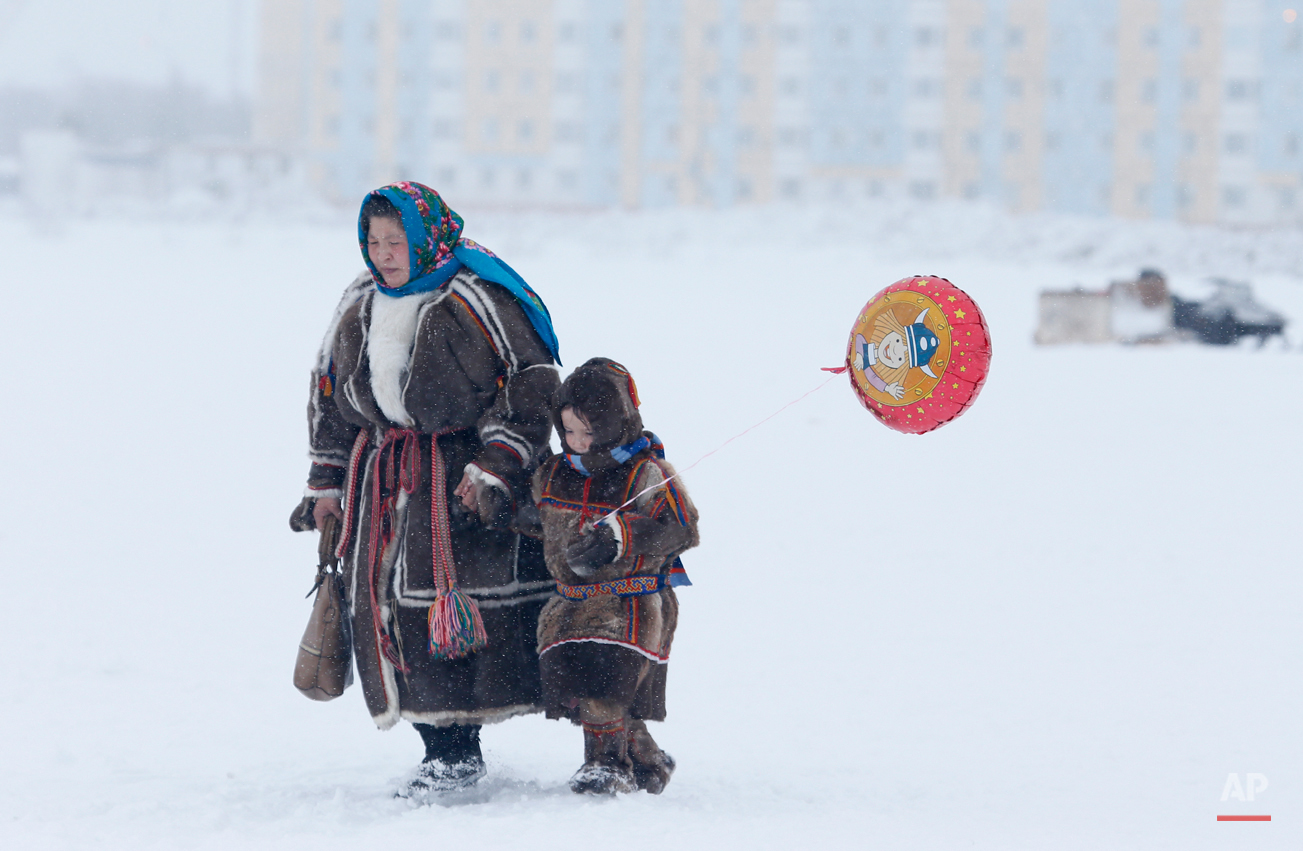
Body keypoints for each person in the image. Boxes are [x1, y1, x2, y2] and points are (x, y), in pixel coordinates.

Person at [288, 181, 561, 797]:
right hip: (382, 477)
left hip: (459, 480)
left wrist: (494, 465)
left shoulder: (480, 298)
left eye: (397, 241)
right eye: (374, 241)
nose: (384, 255)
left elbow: (531, 383)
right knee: (386, 610)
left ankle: (460, 751)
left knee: (449, 609)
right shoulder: (360, 299)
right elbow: (330, 393)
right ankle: (438, 746)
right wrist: (326, 480)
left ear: (428, 236)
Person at [530, 358, 699, 795]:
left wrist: (622, 537)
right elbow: (538, 520)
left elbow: (683, 528)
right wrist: (500, 509)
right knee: (595, 690)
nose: (579, 442)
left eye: (589, 431)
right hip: (571, 601)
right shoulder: (553, 474)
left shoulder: (647, 473)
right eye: (569, 431)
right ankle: (644, 758)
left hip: (631, 600)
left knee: (603, 681)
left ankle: (605, 765)